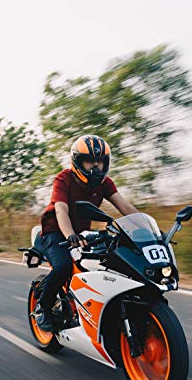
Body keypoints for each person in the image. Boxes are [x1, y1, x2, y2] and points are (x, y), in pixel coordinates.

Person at [37, 134, 138, 331]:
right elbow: (61, 210)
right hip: (55, 232)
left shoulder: (105, 183)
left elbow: (124, 206)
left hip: (82, 233)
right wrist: (69, 235)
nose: (95, 166)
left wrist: (147, 228)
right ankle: (43, 308)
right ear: (77, 161)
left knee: (110, 264)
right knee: (63, 266)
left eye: (100, 161)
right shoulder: (63, 179)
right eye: (90, 160)